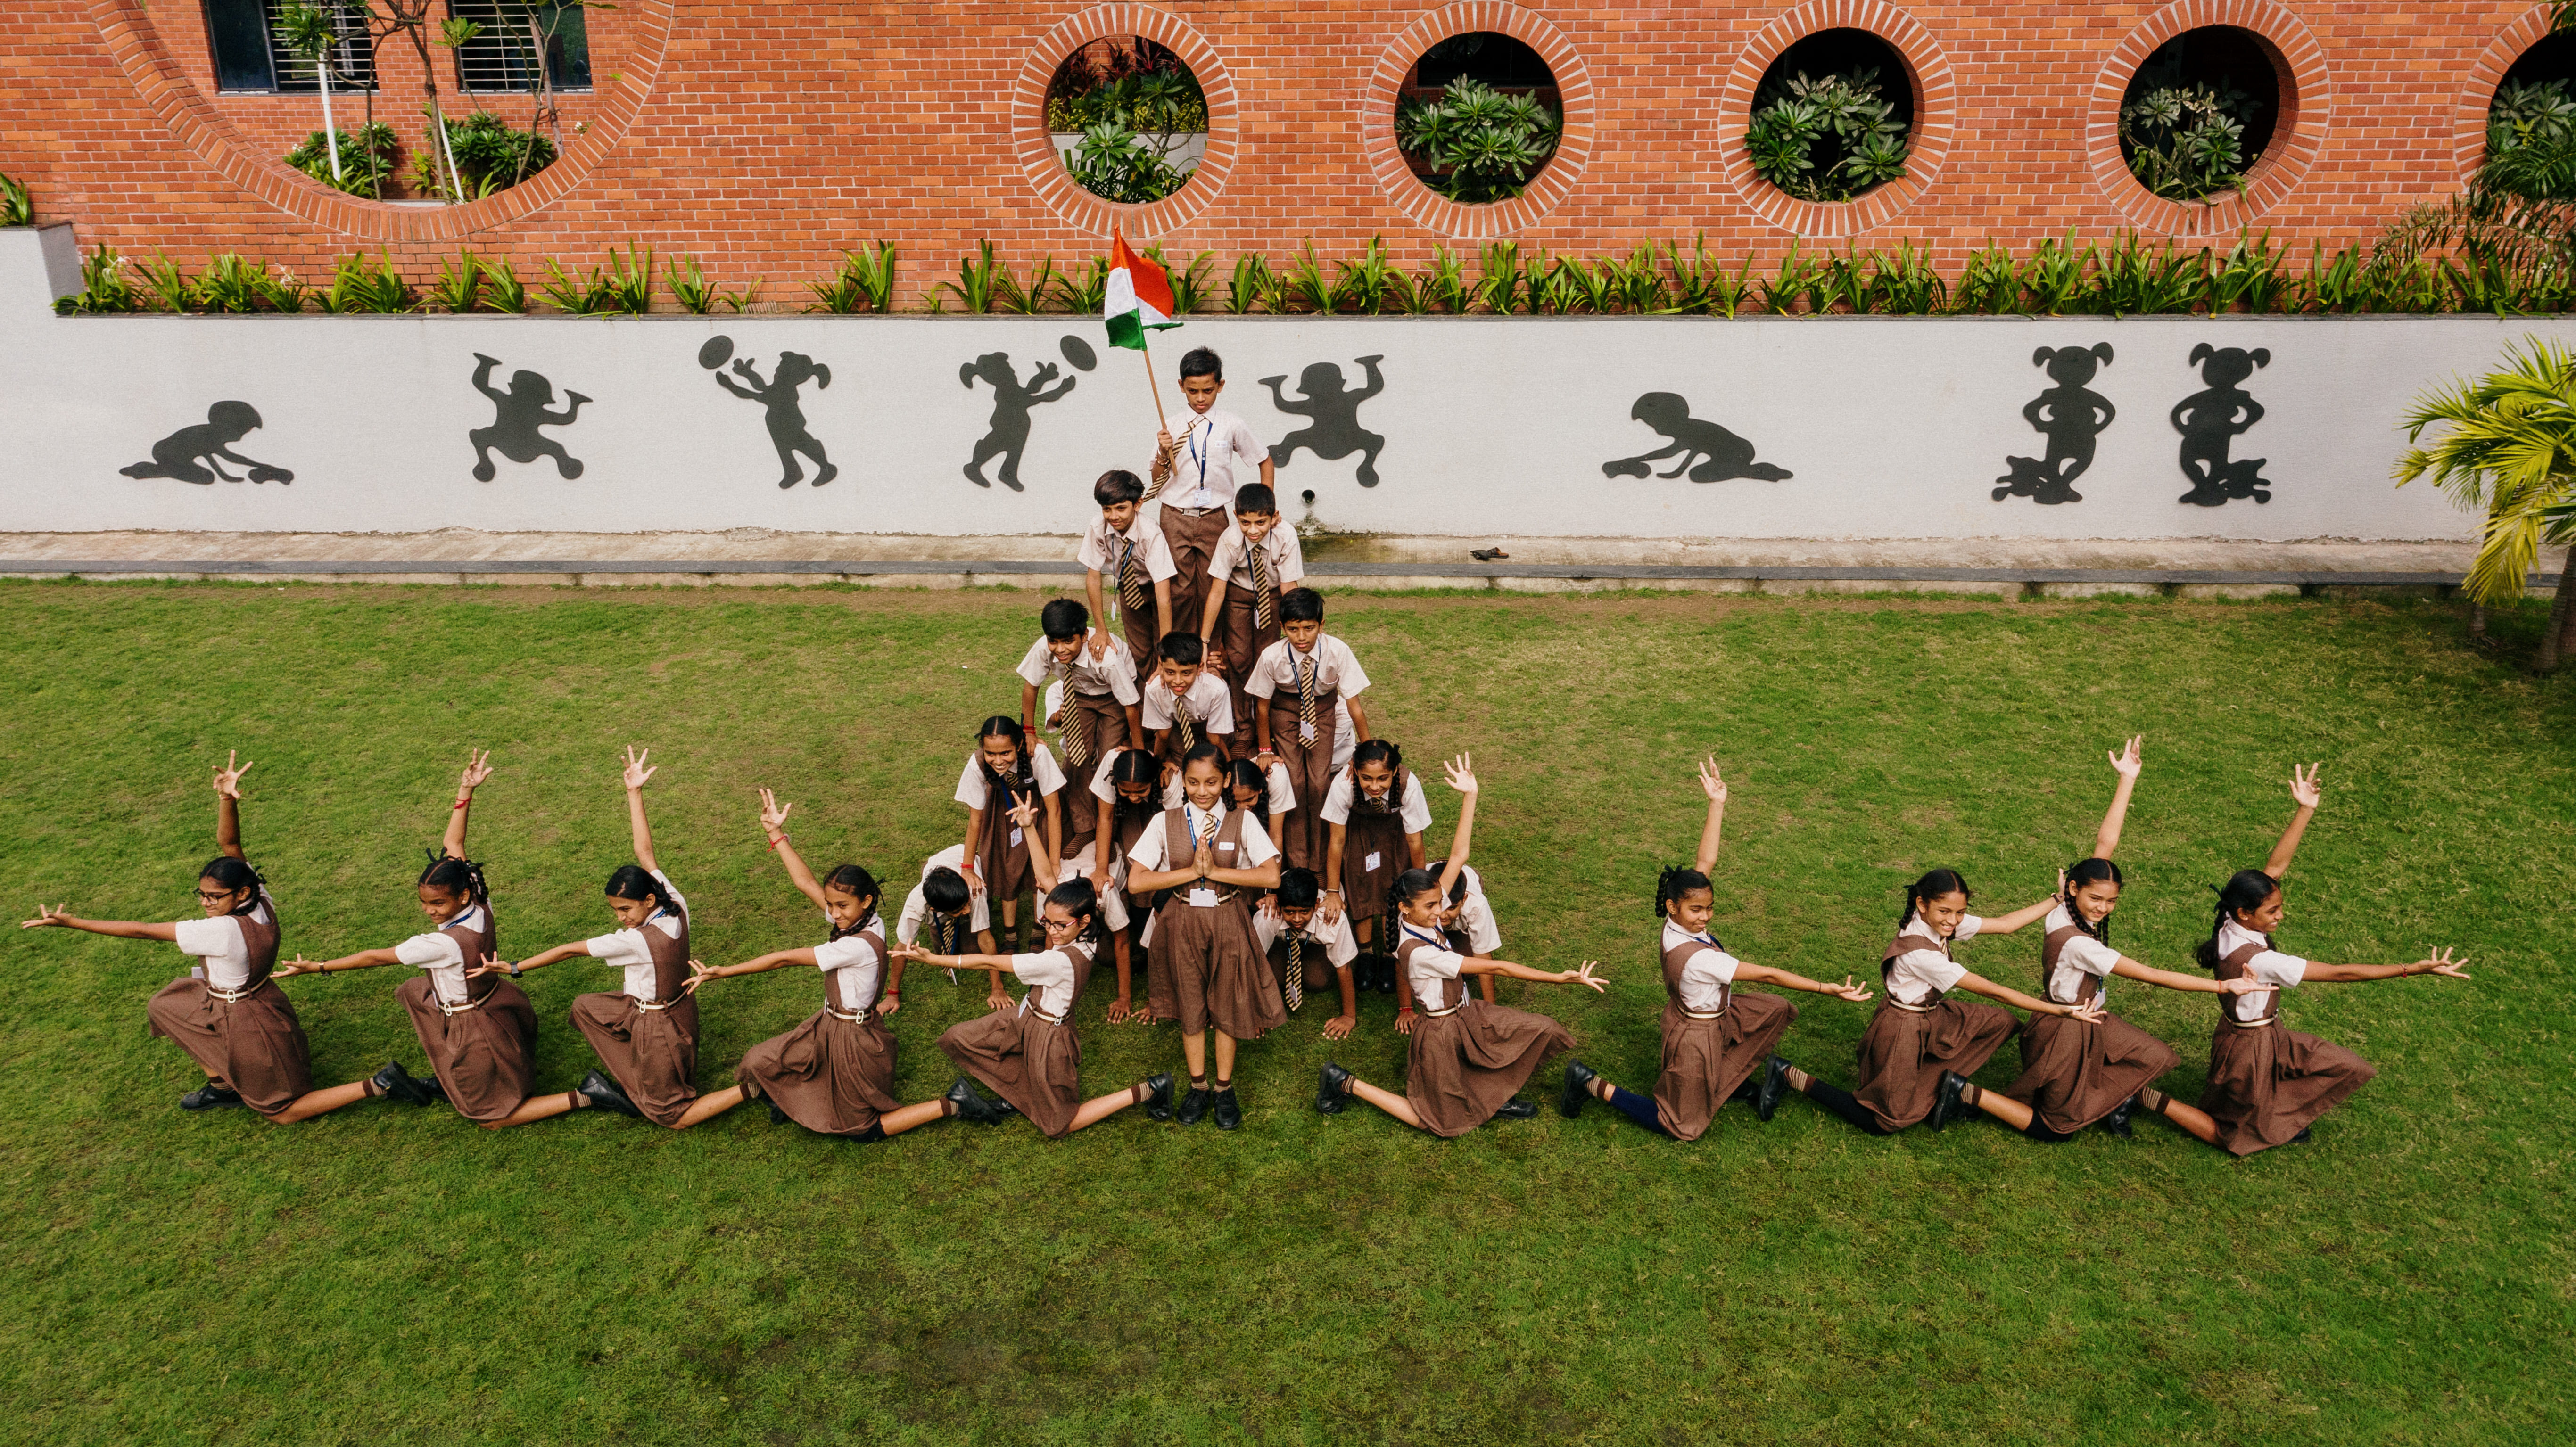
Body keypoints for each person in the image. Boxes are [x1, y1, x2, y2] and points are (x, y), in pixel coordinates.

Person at [21, 752, 395, 1123]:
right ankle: (222, 1087)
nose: (205, 903)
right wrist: (226, 799)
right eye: (201, 894)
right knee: (167, 1006)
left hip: (246, 1017)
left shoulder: (221, 931)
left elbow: (142, 930)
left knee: (280, 1110)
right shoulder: (260, 899)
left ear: (241, 893)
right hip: (252, 998)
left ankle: (379, 1084)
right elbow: (230, 846)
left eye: (214, 897)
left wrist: (73, 922)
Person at [1560, 759, 1875, 1140]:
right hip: (1696, 1034)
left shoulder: (1677, 917)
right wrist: (1826, 988)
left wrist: (1717, 803)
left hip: (1713, 1013)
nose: (1706, 916)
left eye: (1709, 907)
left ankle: (1724, 1083)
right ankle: (1589, 1083)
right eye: (1697, 910)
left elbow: (1705, 862)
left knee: (1775, 1010)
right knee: (1682, 1126)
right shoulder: (1699, 960)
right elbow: (1768, 975)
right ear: (1674, 906)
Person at [1986, 737, 2266, 1143]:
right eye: (2096, 899)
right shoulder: (2079, 943)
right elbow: (2151, 975)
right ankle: (1969, 1096)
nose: (2103, 908)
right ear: (2074, 889)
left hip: (2092, 1016)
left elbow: (2106, 845)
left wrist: (2127, 779)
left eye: (2111, 901)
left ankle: (2117, 1098)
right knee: (2059, 1126)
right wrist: (2223, 986)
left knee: (2157, 1057)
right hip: (2065, 1029)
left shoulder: (2070, 902)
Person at [673, 788, 987, 1139]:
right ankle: (778, 1094)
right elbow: (805, 883)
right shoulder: (866, 920)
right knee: (760, 1061)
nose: (834, 914)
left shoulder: (856, 945)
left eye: (841, 906)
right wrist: (776, 834)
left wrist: (724, 972)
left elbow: (783, 959)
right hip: (827, 1023)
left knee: (860, 1128)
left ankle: (954, 1103)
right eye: (831, 905)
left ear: (866, 900)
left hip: (853, 1039)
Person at [2190, 765, 2472, 1154]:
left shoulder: (2230, 917)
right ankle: (2146, 1098)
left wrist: (2305, 809)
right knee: (2234, 1134)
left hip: (2266, 1034)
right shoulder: (2260, 960)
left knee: (2349, 1067)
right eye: (2272, 911)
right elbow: (2342, 973)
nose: (2281, 915)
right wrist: (2411, 969)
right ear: (2245, 913)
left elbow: (2274, 870)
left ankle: (2275, 1118)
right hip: (2248, 1046)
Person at [269, 749, 541, 1126]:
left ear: (462, 895)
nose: (429, 911)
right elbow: (454, 844)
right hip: (495, 997)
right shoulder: (478, 896)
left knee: (487, 1115)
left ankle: (582, 1097)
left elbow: (375, 957)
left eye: (438, 903)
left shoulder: (442, 945)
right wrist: (465, 791)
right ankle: (457, 1074)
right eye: (424, 902)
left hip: (473, 1018)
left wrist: (319, 967)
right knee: (414, 990)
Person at [1315, 789, 1606, 1136]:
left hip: (1465, 1014)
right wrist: (1559, 978)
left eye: (1440, 903)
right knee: (1440, 1123)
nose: (1440, 912)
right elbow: (1496, 967)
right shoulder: (1419, 954)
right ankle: (1344, 1082)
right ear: (1405, 907)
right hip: (1441, 1033)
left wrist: (1471, 795)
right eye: (1432, 906)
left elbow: (1459, 855)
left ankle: (1494, 1098)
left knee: (1541, 1029)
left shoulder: (1420, 913)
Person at [469, 747, 717, 1127]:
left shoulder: (635, 940)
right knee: (586, 1007)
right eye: (616, 910)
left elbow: (570, 950)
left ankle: (741, 1089)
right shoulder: (674, 902)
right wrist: (634, 792)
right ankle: (641, 1080)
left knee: (668, 1115)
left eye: (625, 909)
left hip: (658, 1022)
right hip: (679, 1010)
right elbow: (645, 852)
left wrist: (516, 967)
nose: (621, 918)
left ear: (649, 900)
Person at [1777, 863, 2101, 1137]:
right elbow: (1993, 991)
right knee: (1886, 1121)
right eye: (1945, 911)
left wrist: (2059, 898)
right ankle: (1789, 1075)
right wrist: (2057, 1010)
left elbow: (2005, 926)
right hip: (1903, 1026)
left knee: (2000, 1022)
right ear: (1922, 904)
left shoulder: (1938, 923)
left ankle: (1938, 1087)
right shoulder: (1920, 952)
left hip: (1933, 1014)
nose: (1953, 920)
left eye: (1961, 912)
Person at [894, 880, 1175, 1138]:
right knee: (957, 1038)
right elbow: (1050, 881)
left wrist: (934, 959)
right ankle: (1022, 1093)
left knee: (1058, 1125)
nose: (1051, 931)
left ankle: (1150, 1090)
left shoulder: (1057, 963)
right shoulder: (1085, 934)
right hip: (1025, 1015)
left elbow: (989, 962)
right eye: (1046, 921)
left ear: (1084, 921)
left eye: (1060, 925)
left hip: (1048, 1036)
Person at [1122, 742, 1286, 1127]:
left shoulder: (1244, 821)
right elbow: (1137, 882)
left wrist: (1215, 873)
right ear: (1183, 781)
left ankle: (1224, 1089)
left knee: (1228, 998)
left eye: (1211, 782)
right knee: (1190, 1000)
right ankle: (1198, 1085)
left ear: (1226, 781)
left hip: (1228, 914)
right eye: (1194, 782)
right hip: (1182, 917)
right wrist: (1190, 873)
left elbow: (1271, 875)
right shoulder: (1164, 821)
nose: (1202, 791)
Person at [1150, 346, 1273, 647]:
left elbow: (1265, 461)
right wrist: (1163, 453)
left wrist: (1268, 506)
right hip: (1175, 516)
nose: (1200, 398)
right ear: (1181, 386)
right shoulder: (1170, 426)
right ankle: (1180, 653)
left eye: (1208, 390)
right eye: (1193, 391)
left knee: (1213, 585)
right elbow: (1155, 479)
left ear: (1220, 385)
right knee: (1178, 589)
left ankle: (1213, 653)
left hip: (1215, 517)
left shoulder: (1231, 424)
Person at [1244, 587, 1372, 873]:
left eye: (1309, 628)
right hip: (1285, 713)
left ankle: (1320, 862)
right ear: (1282, 627)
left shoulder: (1338, 651)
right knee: (1294, 783)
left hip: (1322, 711)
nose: (1301, 637)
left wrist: (1367, 753)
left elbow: (1355, 707)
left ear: (1321, 625)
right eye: (1293, 629)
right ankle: (1297, 861)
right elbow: (1262, 707)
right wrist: (1265, 750)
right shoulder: (1272, 656)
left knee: (1320, 783)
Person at [1315, 739, 1427, 987]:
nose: (1374, 787)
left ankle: (1389, 953)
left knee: (1395, 883)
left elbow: (1415, 842)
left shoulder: (1409, 784)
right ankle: (1365, 953)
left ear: (1394, 772)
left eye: (1382, 779)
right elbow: (1336, 842)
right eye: (1367, 779)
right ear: (1355, 770)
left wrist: (1420, 890)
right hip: (1359, 831)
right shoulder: (1343, 784)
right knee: (1359, 882)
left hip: (1395, 833)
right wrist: (1333, 892)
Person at [955, 716, 1070, 951]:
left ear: (1018, 746)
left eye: (1005, 753)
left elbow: (1055, 810)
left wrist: (1054, 862)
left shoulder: (1037, 755)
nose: (998, 761)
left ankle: (1039, 927)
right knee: (1006, 865)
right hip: (1003, 811)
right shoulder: (978, 763)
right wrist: (967, 868)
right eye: (991, 754)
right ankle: (1010, 933)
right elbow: (975, 820)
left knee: (1040, 869)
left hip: (1038, 809)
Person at [1198, 483, 1305, 732]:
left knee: (1267, 657)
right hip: (1238, 596)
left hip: (1273, 595)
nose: (1253, 530)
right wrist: (1204, 641)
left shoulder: (1286, 535)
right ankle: (1244, 726)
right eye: (1245, 523)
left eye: (1261, 523)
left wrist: (1299, 623)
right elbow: (1217, 591)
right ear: (1236, 516)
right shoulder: (1230, 539)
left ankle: (1266, 724)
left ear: (1274, 517)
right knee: (1239, 659)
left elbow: (1289, 586)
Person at [1082, 746, 1164, 1022]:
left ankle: (1151, 945)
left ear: (1154, 780)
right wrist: (1101, 870)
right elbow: (1105, 818)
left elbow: (1174, 832)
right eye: (1125, 790)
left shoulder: (1168, 781)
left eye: (1140, 791)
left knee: (1157, 881)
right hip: (1126, 821)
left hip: (1163, 818)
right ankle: (1137, 936)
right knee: (1132, 859)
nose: (1133, 797)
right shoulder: (1111, 764)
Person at [1020, 597, 1142, 778]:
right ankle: (1078, 796)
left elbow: (1130, 704)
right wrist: (1028, 731)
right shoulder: (1044, 647)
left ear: (1084, 636)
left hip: (1114, 697)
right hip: (1078, 695)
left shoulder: (1106, 658)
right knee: (1077, 754)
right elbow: (1031, 686)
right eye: (1053, 641)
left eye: (1068, 641)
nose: (1060, 649)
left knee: (1109, 757)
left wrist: (1138, 750)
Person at [1079, 469, 1177, 685]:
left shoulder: (1150, 532)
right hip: (1129, 590)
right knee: (1139, 654)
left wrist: (1166, 652)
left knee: (1164, 651)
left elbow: (1164, 596)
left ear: (1138, 504)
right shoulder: (1098, 527)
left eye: (1121, 508)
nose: (1114, 516)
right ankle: (1144, 701)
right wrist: (1101, 630)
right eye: (1107, 509)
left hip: (1160, 589)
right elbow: (1093, 578)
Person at [1255, 866, 1361, 1039]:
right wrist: (1253, 1011)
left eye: (1305, 912)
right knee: (1276, 979)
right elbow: (1252, 961)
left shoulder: (1332, 918)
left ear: (1316, 905)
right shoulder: (1268, 915)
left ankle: (1311, 951)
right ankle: (1287, 949)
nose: (1297, 919)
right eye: (1290, 912)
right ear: (1279, 905)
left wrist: (1349, 1017)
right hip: (1284, 938)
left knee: (1317, 981)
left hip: (1317, 938)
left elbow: (1344, 968)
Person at [1140, 633, 1236, 778]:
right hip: (1178, 728)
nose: (1178, 681)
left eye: (1186, 673)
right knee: (1188, 770)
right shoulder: (1154, 690)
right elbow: (1163, 734)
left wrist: (1230, 770)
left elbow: (1215, 738)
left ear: (1200, 668)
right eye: (1170, 672)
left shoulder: (1216, 690)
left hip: (1211, 727)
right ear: (1161, 665)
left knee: (1212, 768)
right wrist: (1159, 766)